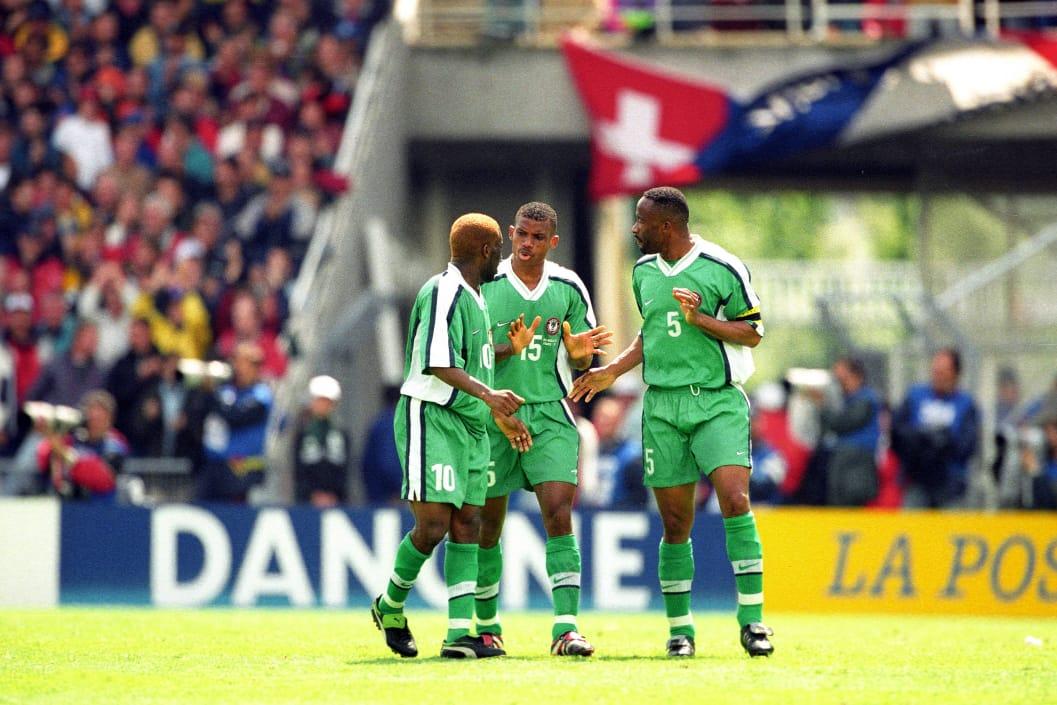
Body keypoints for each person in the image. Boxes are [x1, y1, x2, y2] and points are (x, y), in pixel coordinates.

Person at [570, 186, 774, 658]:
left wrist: (702, 319)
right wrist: (610, 371)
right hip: (661, 406)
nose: (634, 229)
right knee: (675, 520)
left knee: (735, 500)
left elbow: (753, 332)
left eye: (640, 221)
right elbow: (653, 333)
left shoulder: (723, 267)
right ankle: (681, 630)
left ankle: (753, 622)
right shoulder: (642, 272)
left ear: (667, 226)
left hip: (717, 401)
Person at [370, 213, 531, 660]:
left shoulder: (474, 298)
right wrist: (491, 395)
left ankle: (459, 633)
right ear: (484, 250)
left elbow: (469, 358)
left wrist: (506, 351)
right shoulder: (444, 290)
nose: (501, 256)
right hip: (433, 415)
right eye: (499, 247)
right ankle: (391, 606)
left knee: (468, 524)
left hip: (470, 423)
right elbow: (439, 363)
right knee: (434, 525)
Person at [475, 202, 612, 657]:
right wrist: (506, 351)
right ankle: (487, 625)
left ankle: (566, 628)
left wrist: (577, 353)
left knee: (558, 512)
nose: (528, 244)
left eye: (538, 238)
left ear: (552, 242)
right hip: (494, 415)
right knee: (487, 524)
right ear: (511, 234)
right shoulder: (485, 283)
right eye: (522, 236)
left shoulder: (569, 285)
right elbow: (464, 357)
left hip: (550, 413)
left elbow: (581, 355)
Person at [891, 348, 979, 508]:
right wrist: (918, 441)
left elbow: (968, 445)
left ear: (955, 374)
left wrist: (944, 443)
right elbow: (897, 432)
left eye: (943, 372)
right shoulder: (915, 396)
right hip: (917, 477)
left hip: (950, 481)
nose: (937, 377)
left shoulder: (966, 404)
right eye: (935, 371)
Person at [198, 342, 272, 502]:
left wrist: (213, 396)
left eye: (244, 363)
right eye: (237, 361)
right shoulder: (226, 391)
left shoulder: (261, 395)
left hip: (243, 470)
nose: (239, 368)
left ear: (256, 367)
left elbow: (236, 417)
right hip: (214, 465)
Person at [809, 357, 881, 507]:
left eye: (842, 379)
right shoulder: (846, 401)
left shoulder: (866, 399)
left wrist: (823, 407)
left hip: (856, 464)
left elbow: (843, 423)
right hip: (841, 460)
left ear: (857, 376)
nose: (840, 384)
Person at [293, 374, 350, 507]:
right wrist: (311, 493)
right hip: (307, 500)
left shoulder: (340, 432)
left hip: (335, 500)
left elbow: (343, 467)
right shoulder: (303, 432)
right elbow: (299, 468)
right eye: (318, 400)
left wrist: (334, 494)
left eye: (326, 401)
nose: (322, 405)